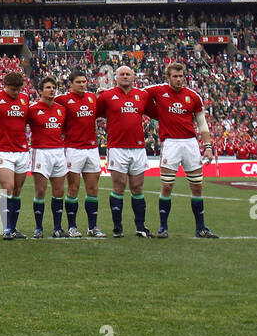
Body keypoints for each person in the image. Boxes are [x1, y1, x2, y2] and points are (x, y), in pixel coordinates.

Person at [147, 62, 218, 238]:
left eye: (181, 76)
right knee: (167, 185)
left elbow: (202, 124)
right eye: (175, 76)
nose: (179, 79)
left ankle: (200, 228)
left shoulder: (193, 96)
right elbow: (135, 92)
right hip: (170, 143)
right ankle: (163, 227)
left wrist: (208, 146)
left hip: (190, 144)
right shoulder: (158, 90)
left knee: (197, 186)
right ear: (168, 77)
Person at [96, 65, 154, 237]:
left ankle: (140, 227)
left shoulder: (142, 96)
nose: (125, 76)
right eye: (122, 74)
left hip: (138, 147)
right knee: (118, 186)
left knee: (137, 187)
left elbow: (156, 113)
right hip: (117, 147)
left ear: (134, 76)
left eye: (128, 74)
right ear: (116, 77)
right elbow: (94, 113)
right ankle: (117, 228)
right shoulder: (106, 96)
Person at [57, 71, 104, 237]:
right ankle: (72, 227)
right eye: (79, 82)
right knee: (73, 188)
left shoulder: (92, 98)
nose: (83, 84)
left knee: (92, 188)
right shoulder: (62, 100)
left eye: (84, 81)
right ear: (71, 83)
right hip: (73, 149)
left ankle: (93, 227)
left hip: (91, 148)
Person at [0, 71, 31, 239]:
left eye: (18, 89)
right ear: (5, 86)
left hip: (22, 150)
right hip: (3, 149)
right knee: (8, 187)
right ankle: (6, 228)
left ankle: (13, 227)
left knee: (17, 190)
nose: (16, 92)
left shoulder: (25, 98)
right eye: (13, 89)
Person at [28, 77, 69, 238]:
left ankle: (57, 228)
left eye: (53, 87)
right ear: (40, 91)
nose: (51, 90)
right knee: (40, 191)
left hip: (59, 152)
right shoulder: (32, 109)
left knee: (58, 192)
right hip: (40, 152)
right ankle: (38, 228)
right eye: (47, 87)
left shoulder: (61, 109)